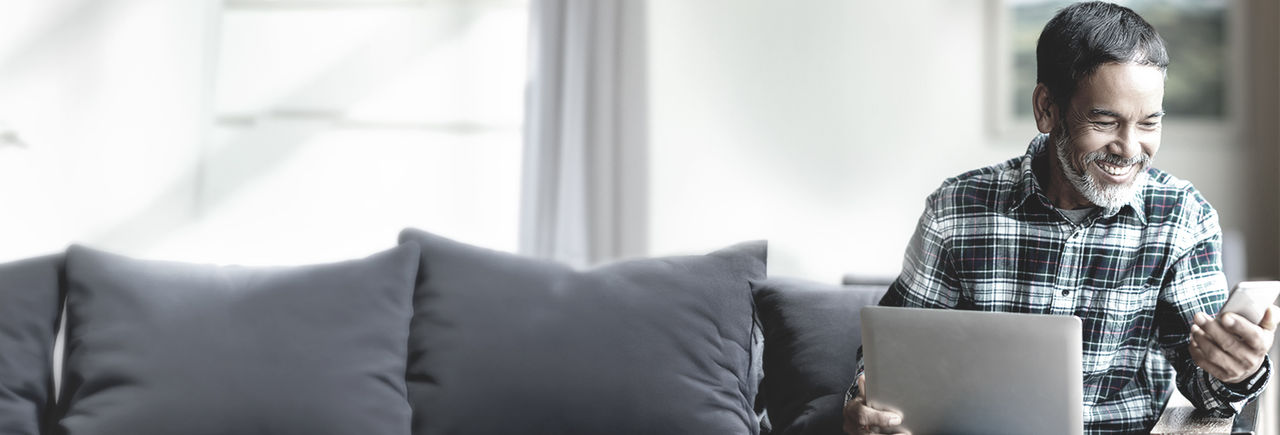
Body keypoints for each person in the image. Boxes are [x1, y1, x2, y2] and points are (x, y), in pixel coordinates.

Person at [841, 2, 1276, 434]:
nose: (1129, 148)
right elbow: (896, 359)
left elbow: (1205, 389)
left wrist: (1235, 370)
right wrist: (866, 403)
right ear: (1046, 108)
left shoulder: (1183, 218)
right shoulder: (956, 209)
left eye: (1148, 123)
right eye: (1105, 121)